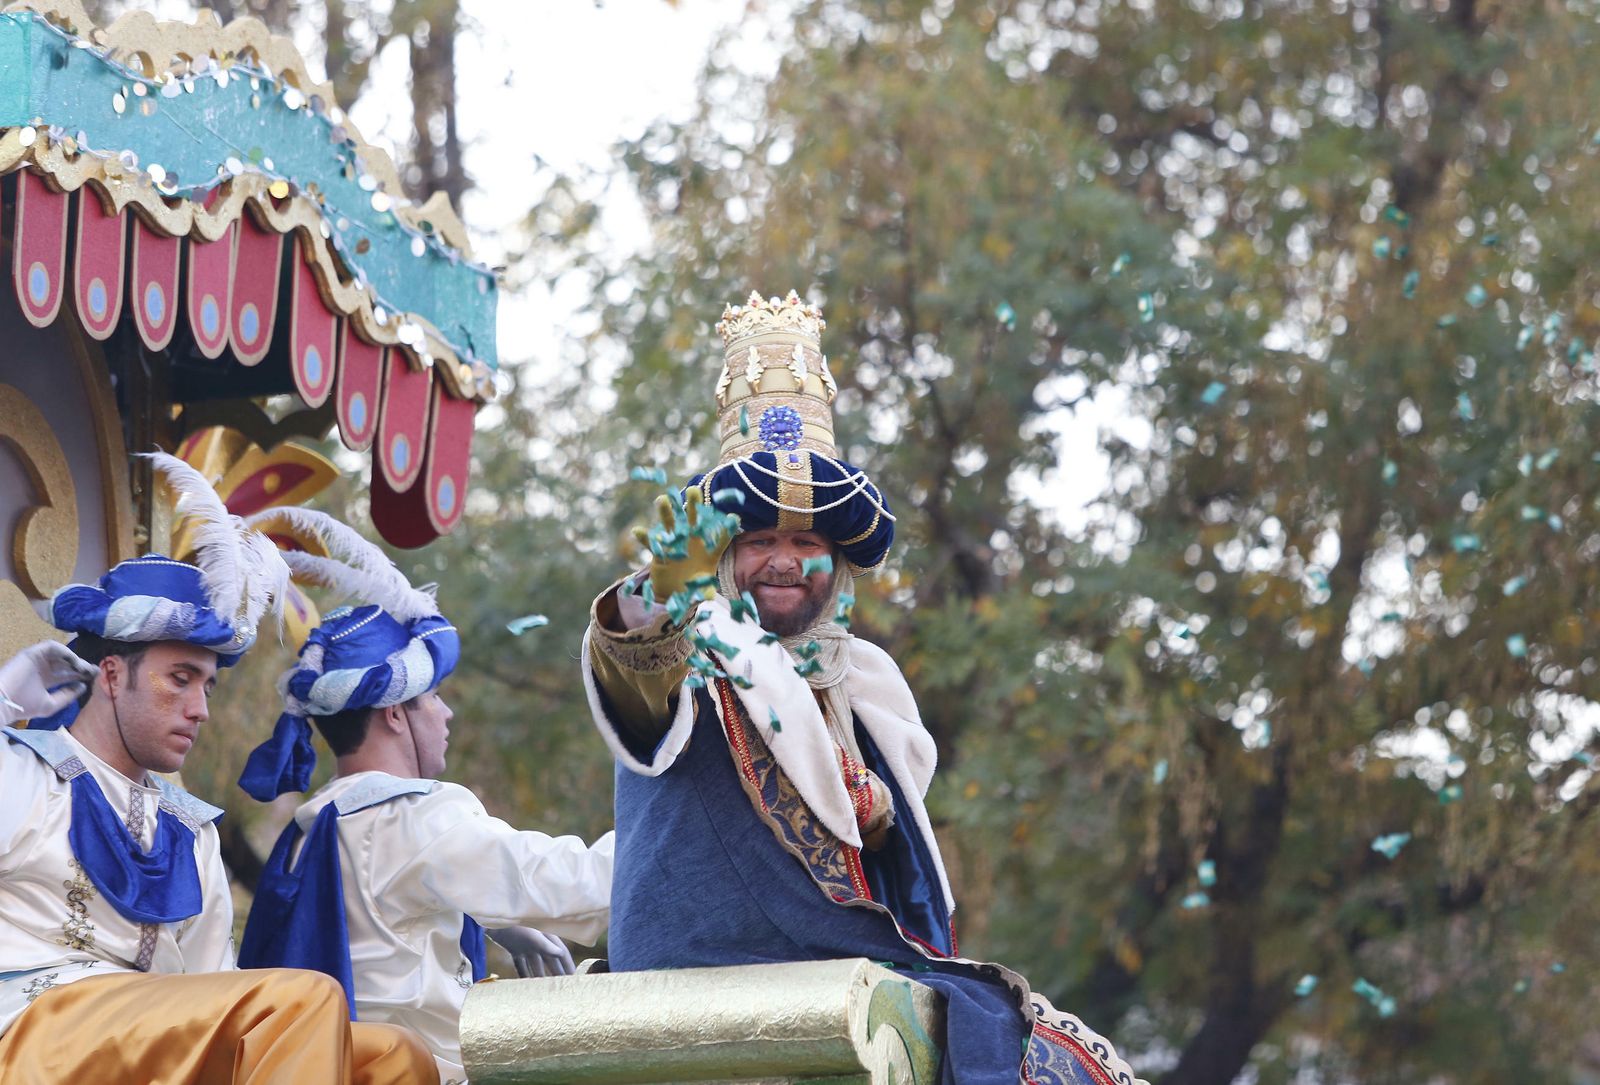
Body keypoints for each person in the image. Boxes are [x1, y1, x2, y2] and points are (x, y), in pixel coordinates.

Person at [584, 291, 1144, 1085]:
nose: (784, 560)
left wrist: (873, 804)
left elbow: (895, 861)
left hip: (842, 971)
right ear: (719, 556)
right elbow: (631, 666)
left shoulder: (868, 684)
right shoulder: (692, 647)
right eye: (760, 540)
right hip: (706, 980)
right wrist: (661, 588)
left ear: (837, 565)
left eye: (806, 539)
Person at [0, 452, 437, 1085]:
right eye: (179, 680)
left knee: (395, 1053)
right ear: (113, 675)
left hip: (147, 1039)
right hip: (29, 1027)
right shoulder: (27, 776)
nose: (199, 709)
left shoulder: (192, 831)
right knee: (301, 1001)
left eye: (207, 686)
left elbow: (213, 991)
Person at [237, 509, 615, 1084]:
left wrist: (480, 913)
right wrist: (676, 834)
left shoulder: (310, 828)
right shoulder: (418, 815)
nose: (446, 714)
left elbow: (386, 922)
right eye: (433, 697)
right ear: (395, 713)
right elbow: (575, 883)